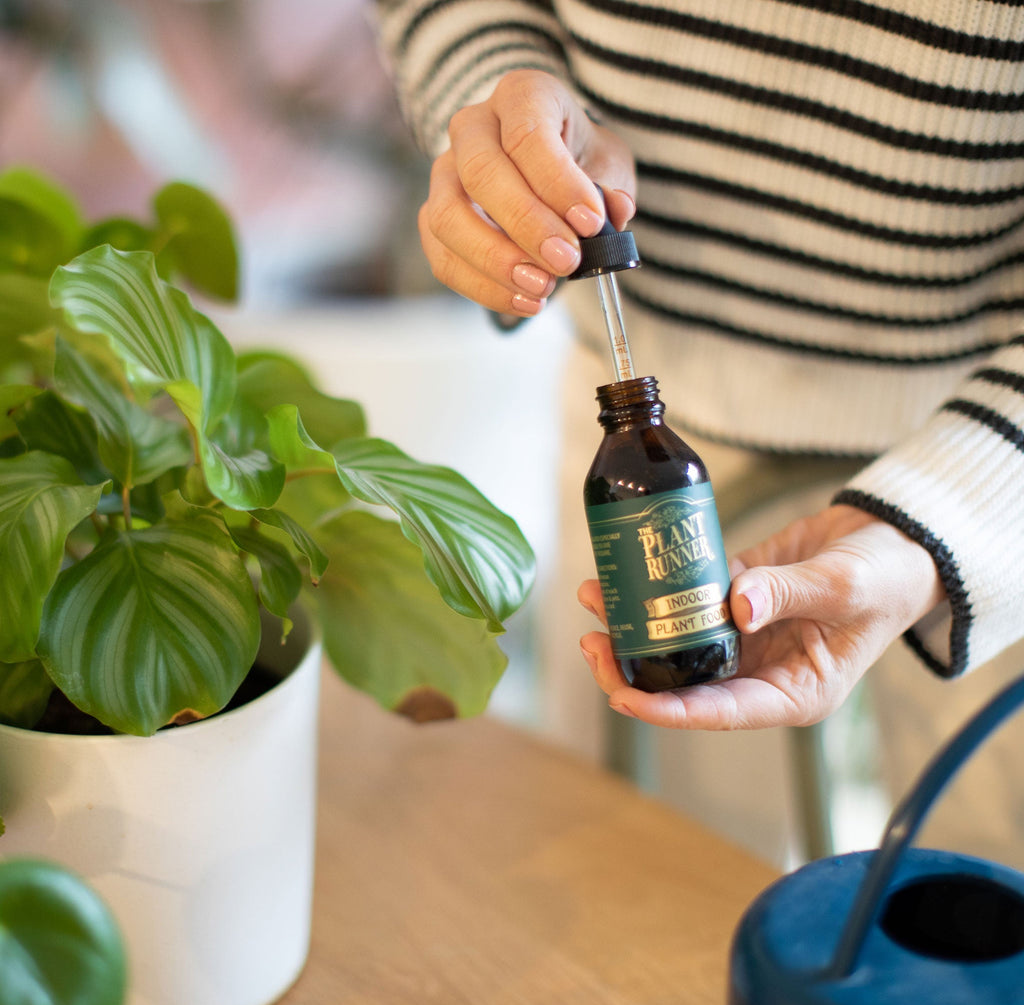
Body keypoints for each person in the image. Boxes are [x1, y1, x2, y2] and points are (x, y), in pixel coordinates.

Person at [374, 1, 1024, 861]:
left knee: (975, 905)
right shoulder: (630, 469)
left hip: (988, 463)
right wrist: (504, 125)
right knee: (654, 870)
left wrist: (963, 517)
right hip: (659, 355)